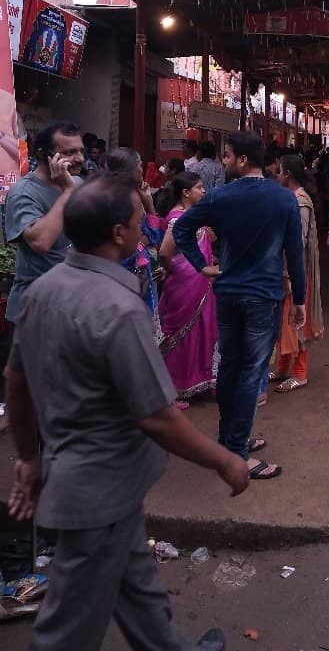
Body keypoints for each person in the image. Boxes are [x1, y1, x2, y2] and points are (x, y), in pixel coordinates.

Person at [5, 174, 246, 651]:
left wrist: (29, 457)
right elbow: (155, 415)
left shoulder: (41, 291)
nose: (145, 229)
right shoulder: (118, 306)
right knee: (65, 631)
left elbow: (17, 381)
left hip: (101, 487)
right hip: (97, 491)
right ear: (118, 233)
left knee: (138, 589)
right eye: (139, 221)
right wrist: (223, 459)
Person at [174, 131, 306, 480]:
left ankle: (230, 439)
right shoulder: (284, 200)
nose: (225, 161)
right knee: (251, 371)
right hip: (263, 296)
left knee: (232, 367)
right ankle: (236, 453)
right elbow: (295, 254)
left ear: (243, 160)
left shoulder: (220, 197)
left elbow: (183, 229)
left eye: (228, 155)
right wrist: (301, 300)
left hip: (228, 293)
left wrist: (201, 265)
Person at [3, 121, 83, 339]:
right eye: (69, 152)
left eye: (80, 151)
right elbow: (40, 242)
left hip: (72, 308)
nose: (80, 159)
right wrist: (67, 193)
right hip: (34, 312)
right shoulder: (24, 192)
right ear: (43, 154)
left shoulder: (77, 183)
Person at [157, 173, 218, 410]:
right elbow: (164, 252)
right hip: (185, 283)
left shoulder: (193, 216)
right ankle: (173, 389)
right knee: (179, 334)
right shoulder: (177, 220)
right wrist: (175, 271)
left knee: (202, 331)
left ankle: (198, 381)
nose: (203, 191)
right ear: (185, 192)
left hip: (200, 282)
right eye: (199, 188)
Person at [272, 155, 324, 392]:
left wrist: (290, 274)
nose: (275, 175)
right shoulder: (295, 198)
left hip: (297, 270)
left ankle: (300, 372)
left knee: (296, 317)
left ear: (288, 175)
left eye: (278, 171)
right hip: (292, 268)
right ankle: (282, 366)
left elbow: (298, 243)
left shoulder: (300, 202)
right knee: (286, 317)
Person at [106, 148, 165, 340]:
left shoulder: (133, 195)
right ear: (129, 169)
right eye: (140, 165)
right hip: (125, 274)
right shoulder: (119, 200)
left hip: (137, 274)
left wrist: (148, 203)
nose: (143, 169)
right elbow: (148, 238)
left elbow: (152, 237)